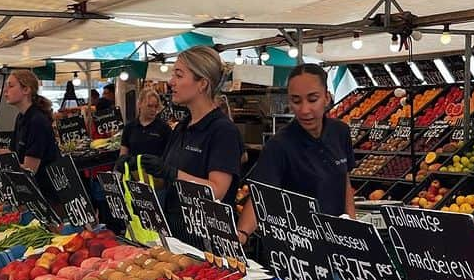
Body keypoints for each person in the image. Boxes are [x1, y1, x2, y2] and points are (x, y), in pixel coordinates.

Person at [237, 63, 355, 248]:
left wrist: (352, 225)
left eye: (312, 99)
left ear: (327, 97)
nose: (304, 109)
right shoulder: (279, 145)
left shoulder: (340, 132)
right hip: (299, 245)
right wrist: (242, 234)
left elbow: (345, 181)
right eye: (296, 101)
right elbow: (261, 196)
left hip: (337, 240)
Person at [161, 48, 243, 238]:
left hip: (207, 242)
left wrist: (173, 174)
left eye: (179, 75)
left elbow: (217, 191)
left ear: (202, 84)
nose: (171, 82)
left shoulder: (223, 131)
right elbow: (166, 179)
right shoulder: (182, 127)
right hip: (176, 235)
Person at [4, 68, 59, 191]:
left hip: (47, 192)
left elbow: (29, 169)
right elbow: (12, 153)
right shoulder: (21, 117)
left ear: (26, 90)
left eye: (11, 86)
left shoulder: (37, 121)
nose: (5, 90)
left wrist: (0, 168)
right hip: (34, 189)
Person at [119, 87, 171, 161]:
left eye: (156, 106)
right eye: (149, 106)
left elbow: (170, 155)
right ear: (139, 104)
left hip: (156, 171)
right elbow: (123, 155)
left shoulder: (164, 128)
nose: (153, 110)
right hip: (134, 170)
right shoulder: (129, 128)